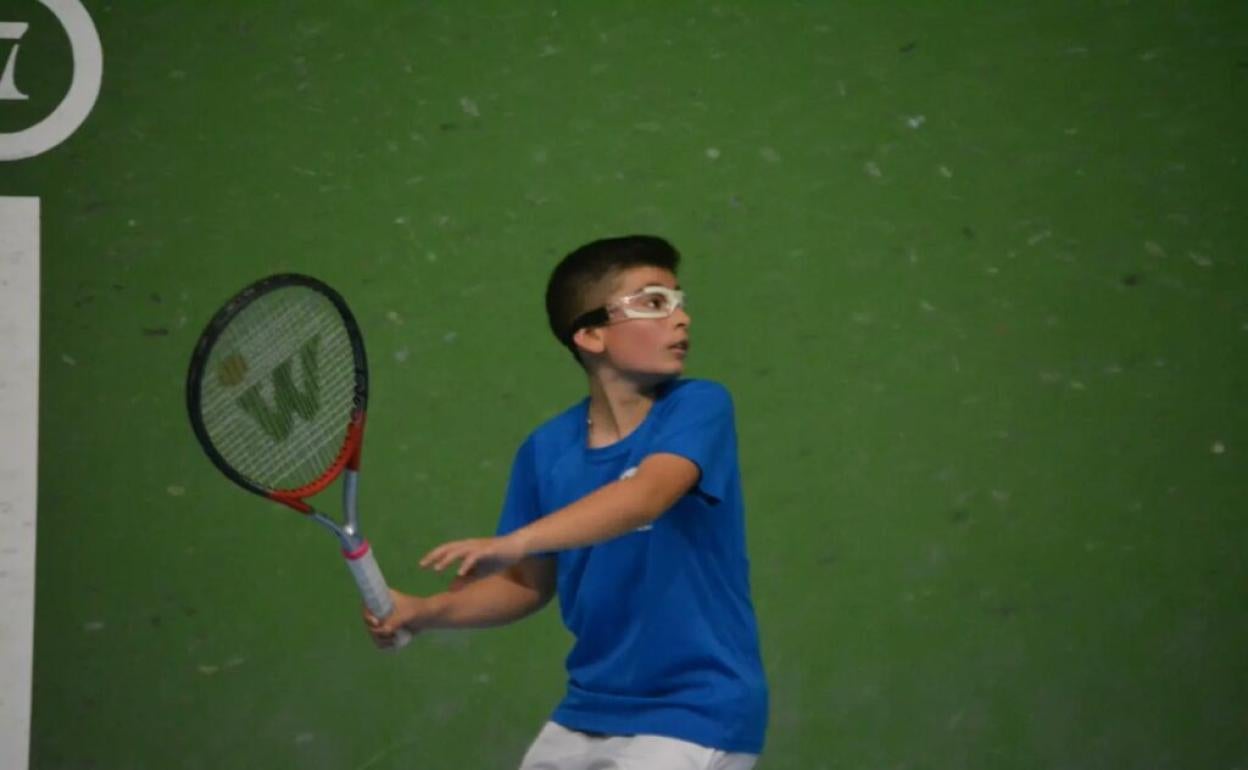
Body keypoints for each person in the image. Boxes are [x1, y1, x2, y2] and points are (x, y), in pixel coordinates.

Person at [364, 235, 768, 769]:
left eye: (678, 300)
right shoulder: (545, 450)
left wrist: (517, 541)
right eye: (654, 302)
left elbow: (646, 496)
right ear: (591, 334)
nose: (681, 317)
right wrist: (425, 612)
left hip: (697, 710)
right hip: (588, 709)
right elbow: (525, 583)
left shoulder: (699, 406)